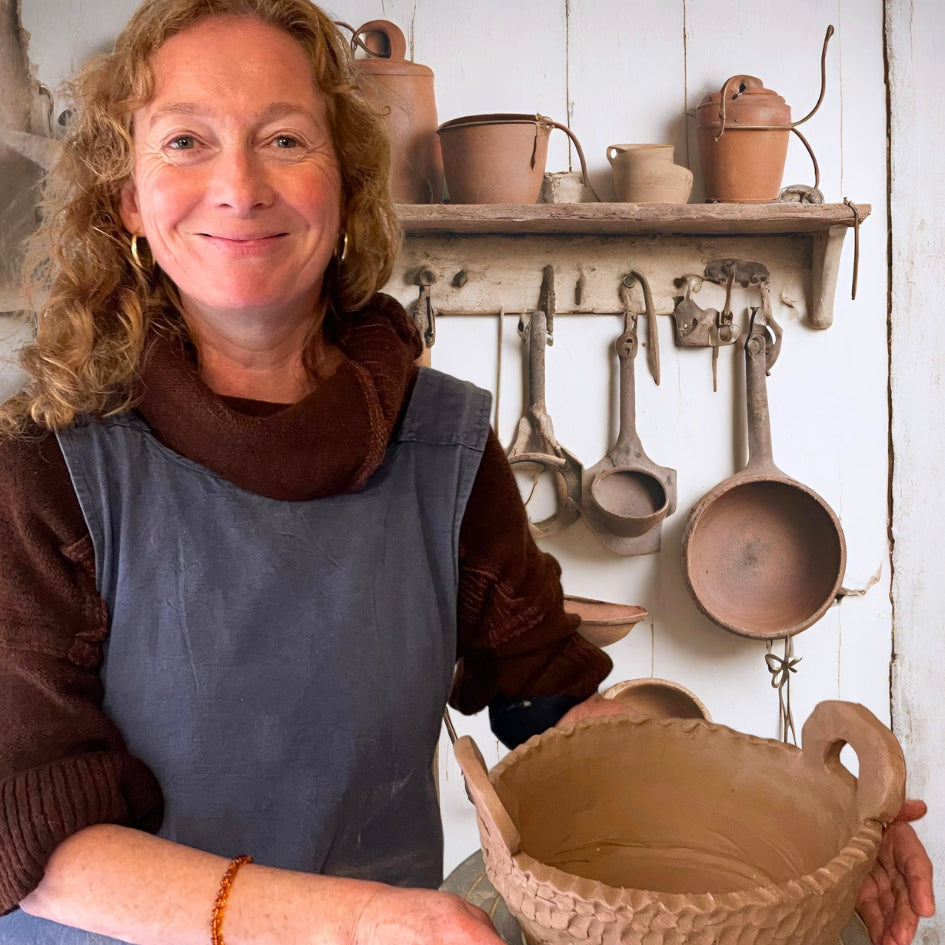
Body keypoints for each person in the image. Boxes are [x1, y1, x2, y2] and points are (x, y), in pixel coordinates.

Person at [0, 1, 932, 943]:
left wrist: (822, 826)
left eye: (284, 138)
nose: (239, 185)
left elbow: (555, 707)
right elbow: (28, 841)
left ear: (345, 181)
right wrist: (355, 921)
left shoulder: (435, 438)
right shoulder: (47, 462)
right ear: (127, 196)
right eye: (186, 141)